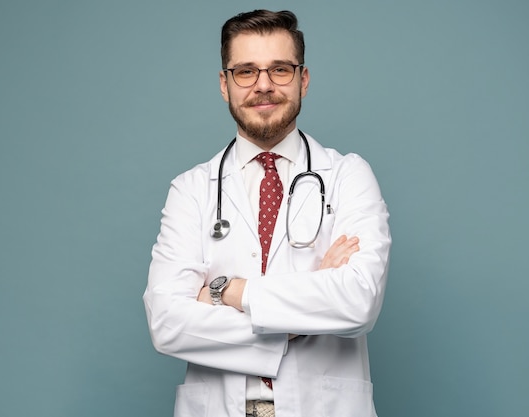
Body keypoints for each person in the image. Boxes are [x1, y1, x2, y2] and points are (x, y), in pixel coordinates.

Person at [144, 9, 391, 417]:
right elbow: (168, 323)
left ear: (303, 80)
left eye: (279, 69)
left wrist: (230, 292)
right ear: (224, 85)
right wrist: (295, 322)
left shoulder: (348, 175)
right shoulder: (190, 189)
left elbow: (358, 300)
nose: (263, 85)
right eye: (245, 71)